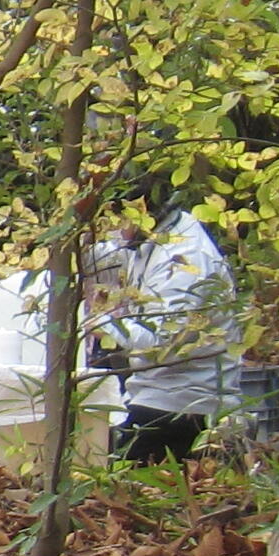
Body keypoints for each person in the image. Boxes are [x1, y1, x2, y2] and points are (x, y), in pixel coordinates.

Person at [89, 175, 241, 464]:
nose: (114, 232)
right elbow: (105, 254)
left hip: (185, 405)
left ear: (140, 214)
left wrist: (101, 323)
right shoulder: (160, 235)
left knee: (114, 479)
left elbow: (160, 343)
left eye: (118, 222)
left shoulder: (183, 259)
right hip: (158, 392)